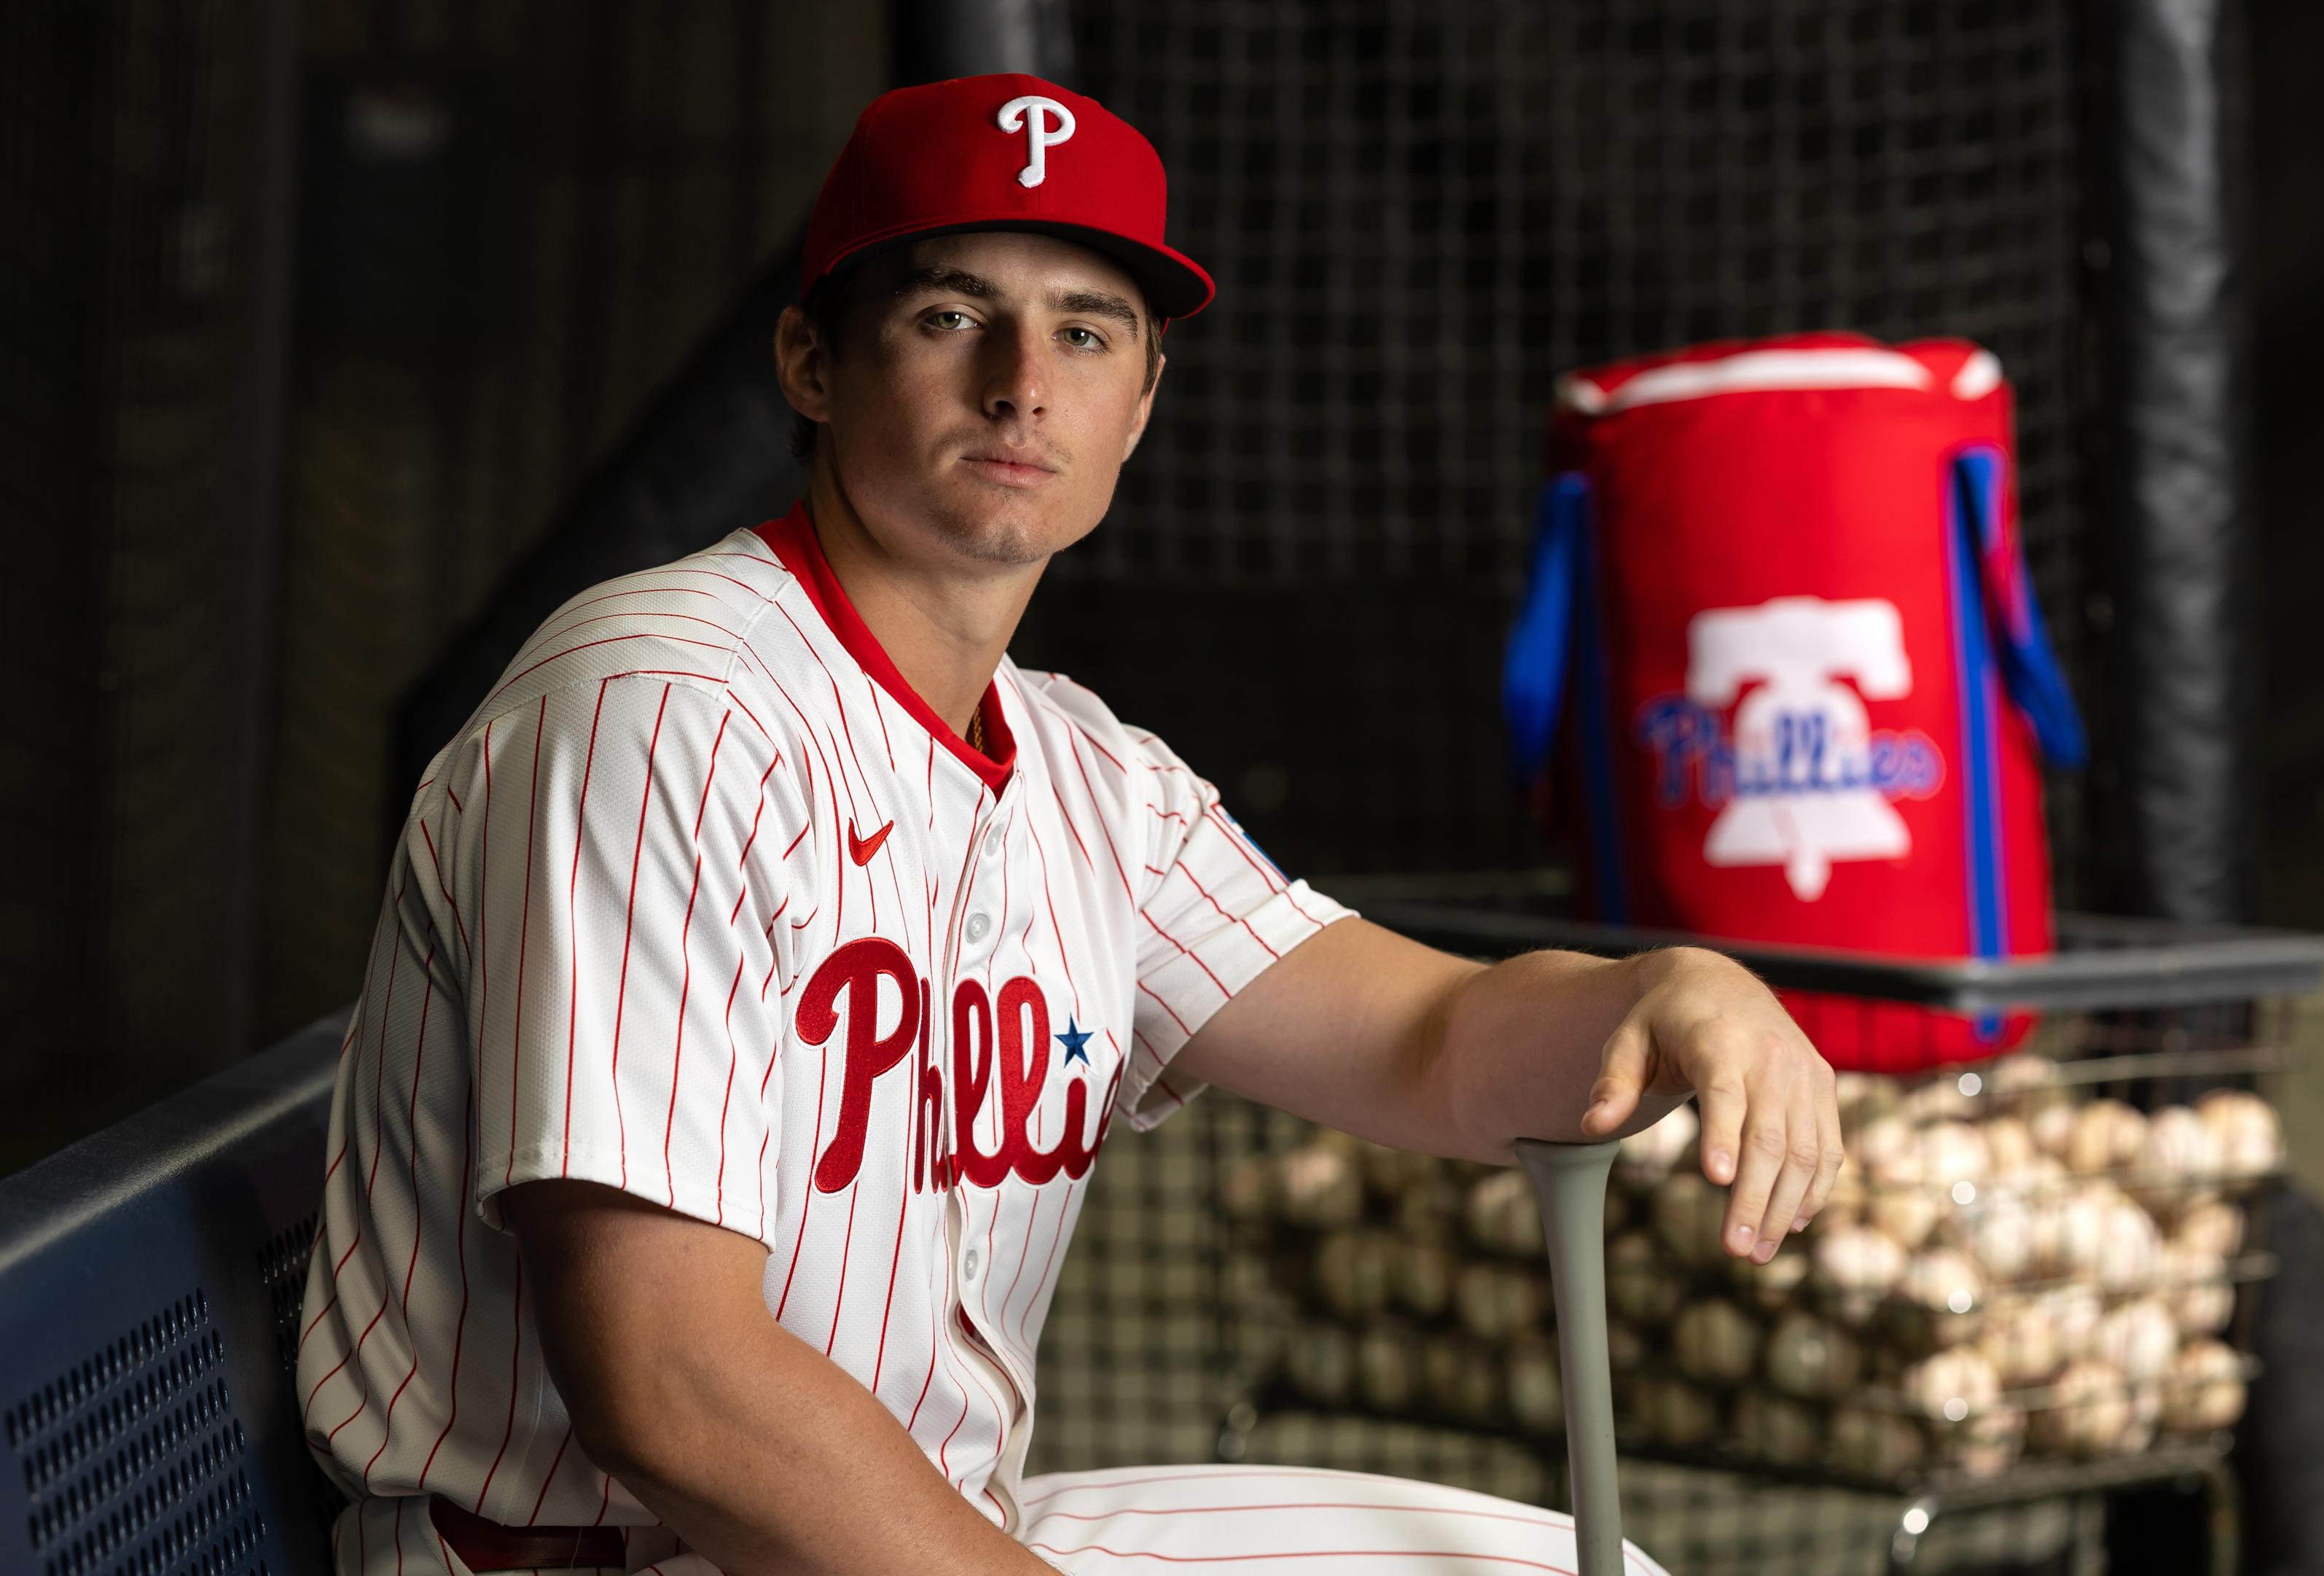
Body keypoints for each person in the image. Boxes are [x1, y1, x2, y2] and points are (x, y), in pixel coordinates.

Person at [297, 73, 1841, 1575]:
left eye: (1085, 329)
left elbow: (1431, 1039)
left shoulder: (1088, 774)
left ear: (1142, 401)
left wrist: (1667, 986)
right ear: (810, 363)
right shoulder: (663, 708)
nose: (1021, 380)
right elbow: (669, 1383)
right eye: (951, 313)